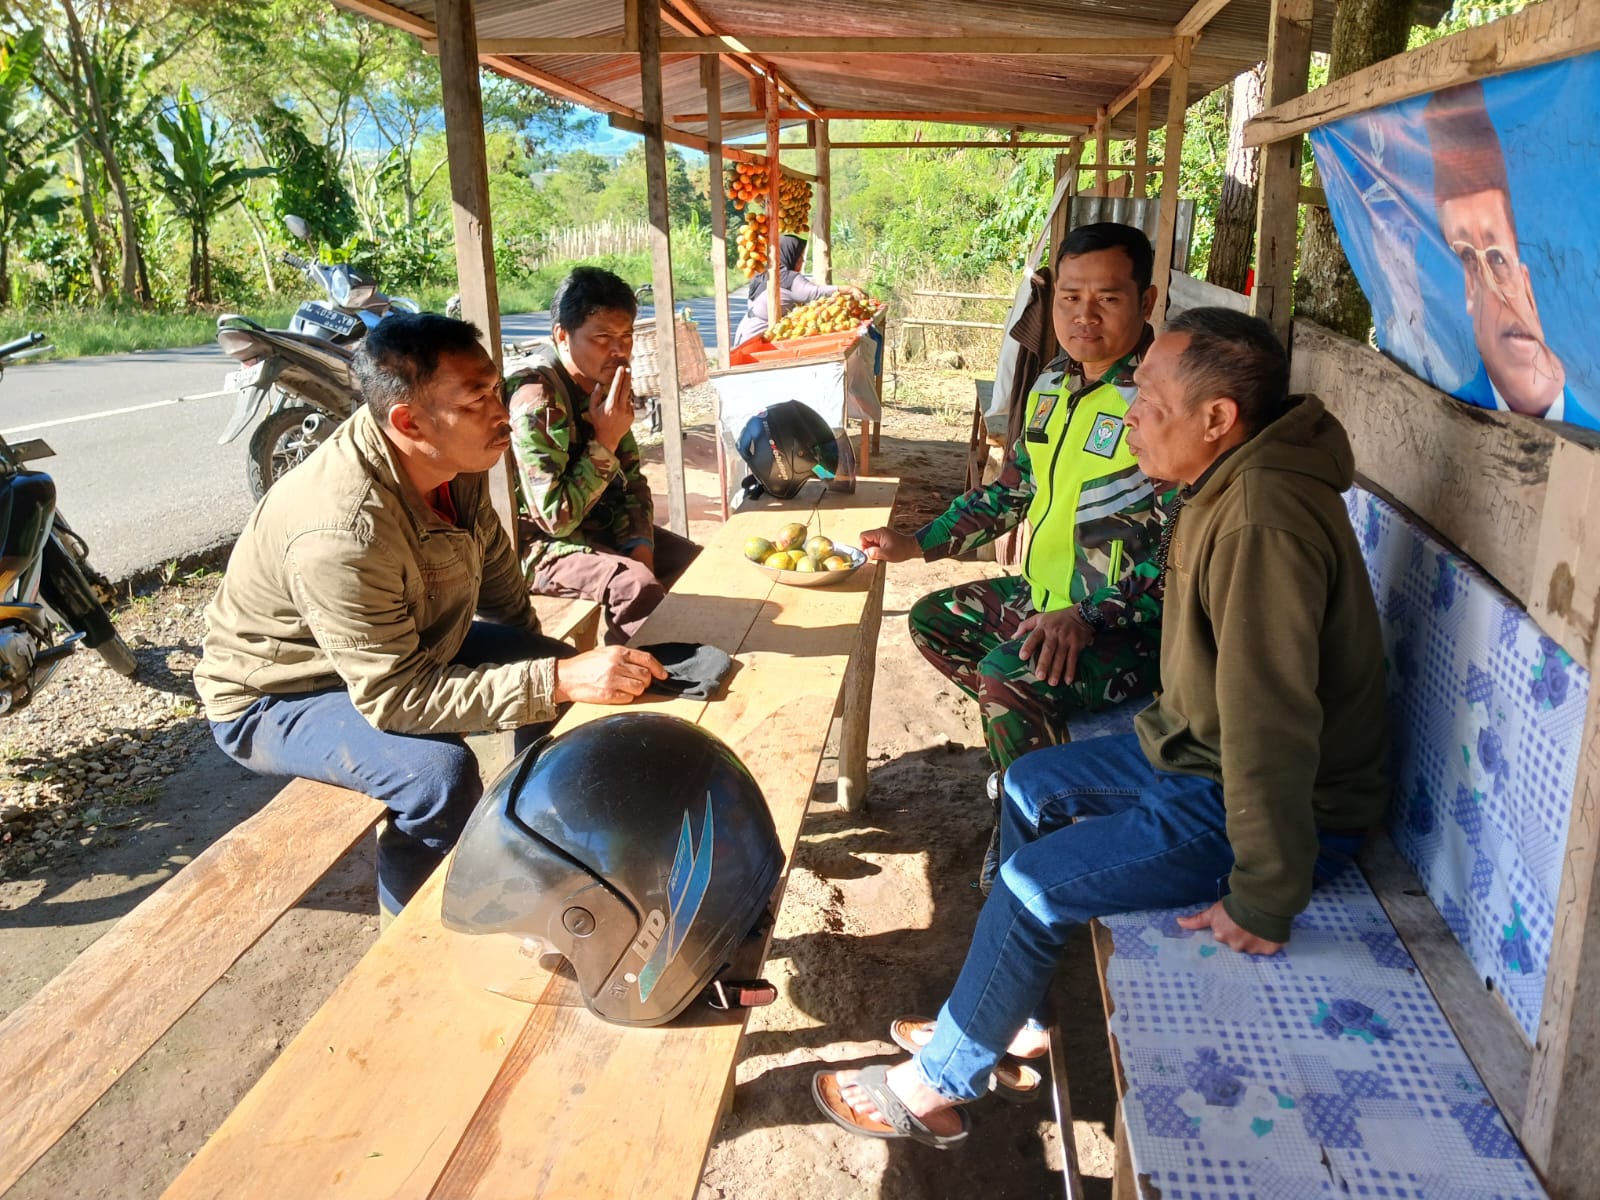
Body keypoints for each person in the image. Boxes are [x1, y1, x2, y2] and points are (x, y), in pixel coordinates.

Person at [812, 307, 1389, 1147]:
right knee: (1032, 783)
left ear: (1217, 419)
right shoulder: (1224, 483)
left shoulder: (1262, 516)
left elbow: (1273, 721)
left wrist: (1265, 894)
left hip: (1274, 806)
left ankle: (936, 1086)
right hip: (1202, 760)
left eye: (1149, 401)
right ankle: (1005, 1015)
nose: (1130, 418)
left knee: (1033, 884)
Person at [195, 313, 665, 920]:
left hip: (398, 646)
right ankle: (416, 942)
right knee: (437, 777)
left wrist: (547, 669)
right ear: (408, 421)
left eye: (494, 389)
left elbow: (497, 569)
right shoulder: (342, 530)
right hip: (280, 693)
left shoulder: (450, 456)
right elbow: (394, 697)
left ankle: (537, 832)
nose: (502, 413)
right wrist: (552, 681)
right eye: (477, 400)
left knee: (561, 670)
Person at [858, 222, 1170, 891]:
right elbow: (1013, 492)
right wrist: (918, 543)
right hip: (1046, 601)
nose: (1083, 315)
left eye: (1107, 299)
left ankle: (1029, 830)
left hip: (1134, 628)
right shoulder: (1053, 386)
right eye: (1070, 296)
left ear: (1147, 300)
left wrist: (1089, 616)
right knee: (934, 620)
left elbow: (1184, 549)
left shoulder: (1163, 397)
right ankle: (1032, 756)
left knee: (1005, 681)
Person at [507, 266, 700, 644]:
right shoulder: (537, 399)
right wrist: (605, 441)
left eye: (625, 336)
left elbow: (632, 483)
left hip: (596, 525)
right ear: (563, 336)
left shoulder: (606, 383)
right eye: (602, 338)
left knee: (692, 561)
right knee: (635, 586)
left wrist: (639, 545)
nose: (618, 350)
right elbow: (554, 520)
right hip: (533, 548)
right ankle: (636, 676)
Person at [1423, 81, 1574, 420]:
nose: (1496, 291)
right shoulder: (1446, 416)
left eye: (1497, 257)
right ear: (1466, 287)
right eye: (1466, 257)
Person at [733, 233, 859, 344]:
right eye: (800, 258)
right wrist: (849, 289)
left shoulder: (761, 275)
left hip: (744, 332)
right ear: (790, 256)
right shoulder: (788, 278)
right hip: (758, 337)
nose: (802, 262)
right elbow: (815, 292)